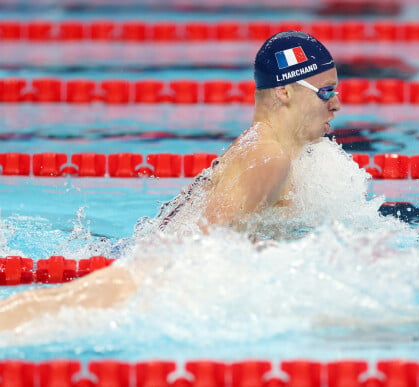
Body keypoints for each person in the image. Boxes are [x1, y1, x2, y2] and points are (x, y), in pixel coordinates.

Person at [0, 31, 341, 331]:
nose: (336, 105)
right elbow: (206, 252)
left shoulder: (267, 148)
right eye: (325, 92)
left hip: (141, 265)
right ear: (283, 93)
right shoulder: (269, 157)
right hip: (143, 281)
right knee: (29, 317)